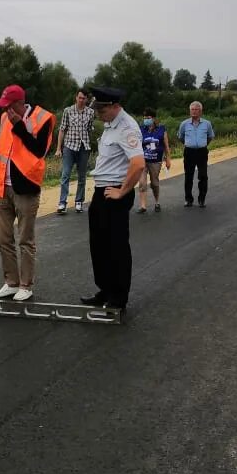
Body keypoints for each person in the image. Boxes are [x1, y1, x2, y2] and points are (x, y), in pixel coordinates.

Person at [0, 85, 55, 302]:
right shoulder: (4, 118)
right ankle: (11, 283)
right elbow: (0, 150)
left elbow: (38, 150)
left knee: (25, 239)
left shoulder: (42, 119)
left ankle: (26, 285)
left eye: (8, 106)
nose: (5, 110)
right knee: (3, 239)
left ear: (18, 103)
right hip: (2, 187)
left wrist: (20, 126)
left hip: (26, 188)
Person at [80, 87, 145, 310]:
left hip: (115, 191)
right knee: (98, 244)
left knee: (116, 246)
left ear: (115, 106)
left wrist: (122, 191)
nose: (99, 114)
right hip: (101, 190)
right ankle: (105, 289)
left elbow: (138, 164)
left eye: (102, 110)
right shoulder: (111, 125)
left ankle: (118, 296)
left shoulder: (127, 128)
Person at [54, 89, 95, 214]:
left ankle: (79, 201)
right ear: (76, 98)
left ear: (87, 99)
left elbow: (89, 129)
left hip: (83, 147)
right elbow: (62, 129)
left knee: (82, 175)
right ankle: (62, 203)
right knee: (65, 174)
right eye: (80, 98)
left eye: (84, 98)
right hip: (70, 146)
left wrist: (89, 142)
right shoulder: (68, 111)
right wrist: (58, 149)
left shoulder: (90, 112)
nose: (81, 100)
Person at [176, 101, 215, 208]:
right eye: (192, 109)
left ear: (201, 111)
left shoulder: (207, 124)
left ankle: (201, 200)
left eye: (196, 109)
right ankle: (188, 200)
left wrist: (203, 144)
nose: (194, 111)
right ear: (189, 111)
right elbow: (180, 137)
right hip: (189, 152)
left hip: (202, 152)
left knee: (203, 176)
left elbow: (210, 136)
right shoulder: (184, 124)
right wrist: (189, 144)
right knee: (188, 176)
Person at [136, 108, 171, 213]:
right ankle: (143, 206)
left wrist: (168, 159)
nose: (146, 119)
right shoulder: (140, 129)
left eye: (148, 118)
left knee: (154, 183)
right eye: (144, 118)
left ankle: (157, 202)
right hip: (143, 160)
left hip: (155, 160)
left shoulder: (161, 129)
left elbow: (166, 146)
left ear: (154, 118)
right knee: (142, 183)